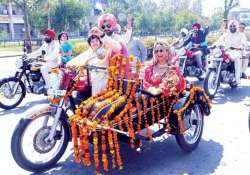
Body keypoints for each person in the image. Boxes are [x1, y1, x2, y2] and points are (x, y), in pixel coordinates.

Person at [214, 20, 247, 85]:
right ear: (229, 27)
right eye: (231, 26)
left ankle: (237, 78)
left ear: (236, 27)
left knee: (237, 58)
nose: (232, 27)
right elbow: (219, 40)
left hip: (236, 51)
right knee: (215, 57)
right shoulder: (226, 34)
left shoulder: (241, 34)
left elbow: (243, 43)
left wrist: (241, 46)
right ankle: (213, 73)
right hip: (226, 51)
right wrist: (213, 45)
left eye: (234, 26)